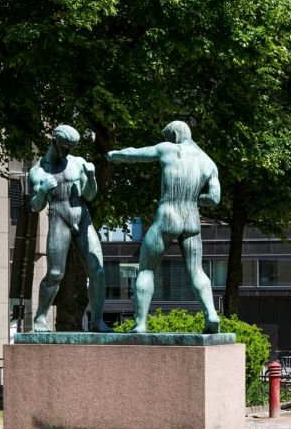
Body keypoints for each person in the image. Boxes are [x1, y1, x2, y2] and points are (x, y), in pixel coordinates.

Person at [108, 121, 221, 333]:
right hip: (191, 219)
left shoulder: (168, 149)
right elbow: (214, 199)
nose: (166, 140)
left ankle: (140, 324)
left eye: (167, 136)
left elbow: (134, 154)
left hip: (167, 216)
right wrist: (193, 198)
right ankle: (211, 313)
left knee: (146, 269)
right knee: (197, 270)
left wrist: (114, 154)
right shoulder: (208, 162)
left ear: (175, 135)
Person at [29, 124, 109, 331]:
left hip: (83, 219)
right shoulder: (38, 171)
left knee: (98, 270)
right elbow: (36, 206)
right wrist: (43, 190)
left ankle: (97, 321)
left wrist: (92, 178)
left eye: (71, 147)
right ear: (54, 141)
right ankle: (40, 317)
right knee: (55, 273)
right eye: (65, 146)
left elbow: (89, 195)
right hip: (59, 219)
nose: (68, 150)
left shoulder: (77, 163)